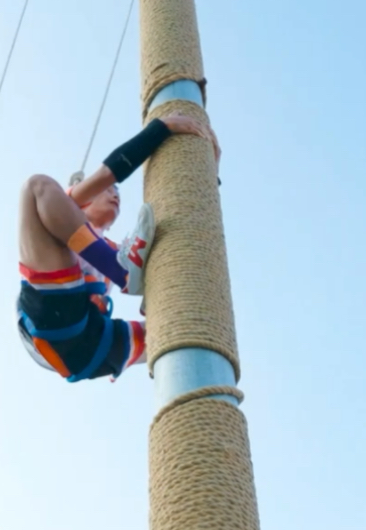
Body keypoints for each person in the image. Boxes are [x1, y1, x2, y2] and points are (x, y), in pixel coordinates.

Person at [16, 114, 219, 382]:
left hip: (94, 346)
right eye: (108, 191)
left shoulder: (130, 250)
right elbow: (105, 174)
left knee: (189, 328)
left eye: (119, 195)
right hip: (50, 323)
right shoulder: (60, 207)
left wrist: (207, 168)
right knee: (35, 186)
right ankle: (119, 271)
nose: (115, 195)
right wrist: (161, 129)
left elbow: (186, 228)